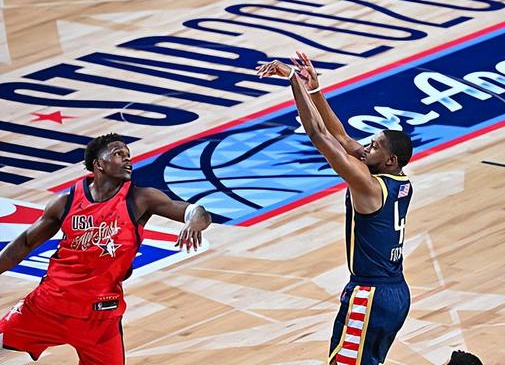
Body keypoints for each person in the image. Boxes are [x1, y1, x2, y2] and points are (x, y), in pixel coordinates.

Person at [0, 133, 212, 364]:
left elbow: (197, 212)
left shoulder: (141, 199)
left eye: (128, 154)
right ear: (98, 164)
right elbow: (24, 244)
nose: (127, 159)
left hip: (100, 316)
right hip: (49, 306)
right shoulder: (65, 203)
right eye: (118, 154)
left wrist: (194, 222)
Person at [257, 52, 414, 365]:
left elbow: (319, 134)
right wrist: (314, 90)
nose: (365, 147)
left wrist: (293, 80)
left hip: (371, 293)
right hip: (396, 292)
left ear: (389, 160)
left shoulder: (368, 185)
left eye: (374, 146)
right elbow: (340, 136)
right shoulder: (400, 181)